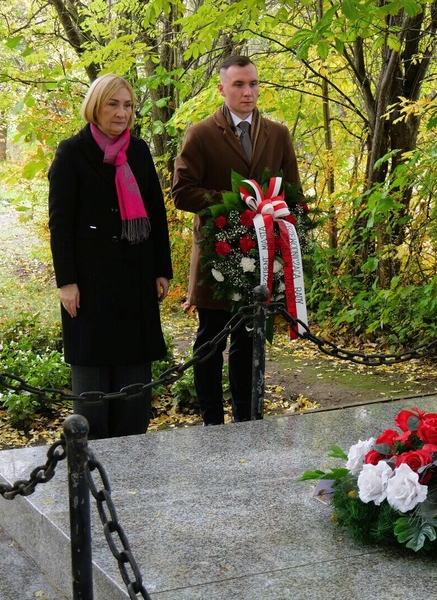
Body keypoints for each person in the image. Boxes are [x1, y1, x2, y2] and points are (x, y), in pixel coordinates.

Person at [172, 56, 301, 425]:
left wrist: (285, 220)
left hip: (262, 253)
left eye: (253, 84)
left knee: (249, 339)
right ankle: (212, 423)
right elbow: (182, 192)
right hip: (217, 252)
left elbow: (293, 192)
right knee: (210, 339)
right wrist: (234, 202)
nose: (248, 92)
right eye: (239, 85)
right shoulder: (201, 133)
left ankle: (247, 420)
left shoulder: (277, 133)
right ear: (222, 89)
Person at [48, 74, 173, 439]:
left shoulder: (139, 150)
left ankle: (133, 459)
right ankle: (90, 462)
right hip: (90, 284)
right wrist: (66, 282)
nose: (122, 113)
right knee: (93, 394)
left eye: (128, 105)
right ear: (95, 106)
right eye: (113, 104)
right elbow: (60, 223)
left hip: (136, 279)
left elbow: (156, 212)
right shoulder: (71, 152)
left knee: (134, 397)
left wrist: (161, 269)